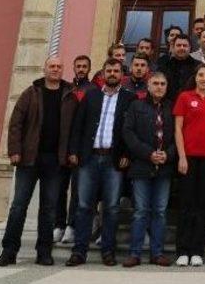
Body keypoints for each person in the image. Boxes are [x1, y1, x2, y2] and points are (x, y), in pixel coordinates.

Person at [0, 56, 74, 267]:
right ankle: (9, 251)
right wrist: (14, 150)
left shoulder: (69, 96)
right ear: (45, 69)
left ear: (62, 70)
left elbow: (74, 129)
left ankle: (44, 252)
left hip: (55, 161)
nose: (55, 69)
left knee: (48, 209)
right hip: (29, 159)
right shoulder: (30, 93)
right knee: (19, 206)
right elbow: (15, 124)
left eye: (59, 66)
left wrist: (69, 154)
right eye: (52, 66)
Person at [66, 57, 136, 266]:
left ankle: (108, 251)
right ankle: (79, 251)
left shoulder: (129, 99)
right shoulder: (91, 96)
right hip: (89, 158)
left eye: (116, 71)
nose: (113, 74)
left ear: (122, 75)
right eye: (109, 71)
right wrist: (73, 151)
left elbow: (130, 131)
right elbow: (78, 125)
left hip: (113, 160)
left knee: (112, 207)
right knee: (84, 205)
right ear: (103, 73)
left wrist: (127, 155)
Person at [122, 71, 175, 267]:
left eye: (163, 83)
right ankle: (135, 253)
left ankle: (157, 253)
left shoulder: (171, 107)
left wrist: (168, 154)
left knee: (160, 211)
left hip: (165, 167)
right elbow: (128, 133)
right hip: (141, 166)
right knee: (140, 211)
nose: (159, 87)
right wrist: (147, 153)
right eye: (156, 83)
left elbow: (179, 134)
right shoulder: (136, 106)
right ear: (149, 86)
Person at [173, 64, 205, 267]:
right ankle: (183, 250)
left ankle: (197, 251)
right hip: (188, 157)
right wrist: (182, 156)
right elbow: (178, 128)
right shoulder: (185, 97)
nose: (203, 78)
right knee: (186, 204)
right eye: (200, 75)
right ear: (196, 77)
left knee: (202, 205)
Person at [55, 55, 94, 247]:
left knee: (78, 190)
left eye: (84, 66)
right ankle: (58, 224)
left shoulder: (92, 90)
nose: (81, 69)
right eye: (78, 66)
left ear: (89, 68)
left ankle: (72, 225)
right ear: (73, 67)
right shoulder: (66, 89)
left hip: (81, 148)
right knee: (60, 188)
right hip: (62, 146)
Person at [159, 34, 198, 101]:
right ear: (173, 47)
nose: (182, 48)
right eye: (178, 45)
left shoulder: (198, 66)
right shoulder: (164, 66)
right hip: (168, 106)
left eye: (185, 46)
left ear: (190, 48)